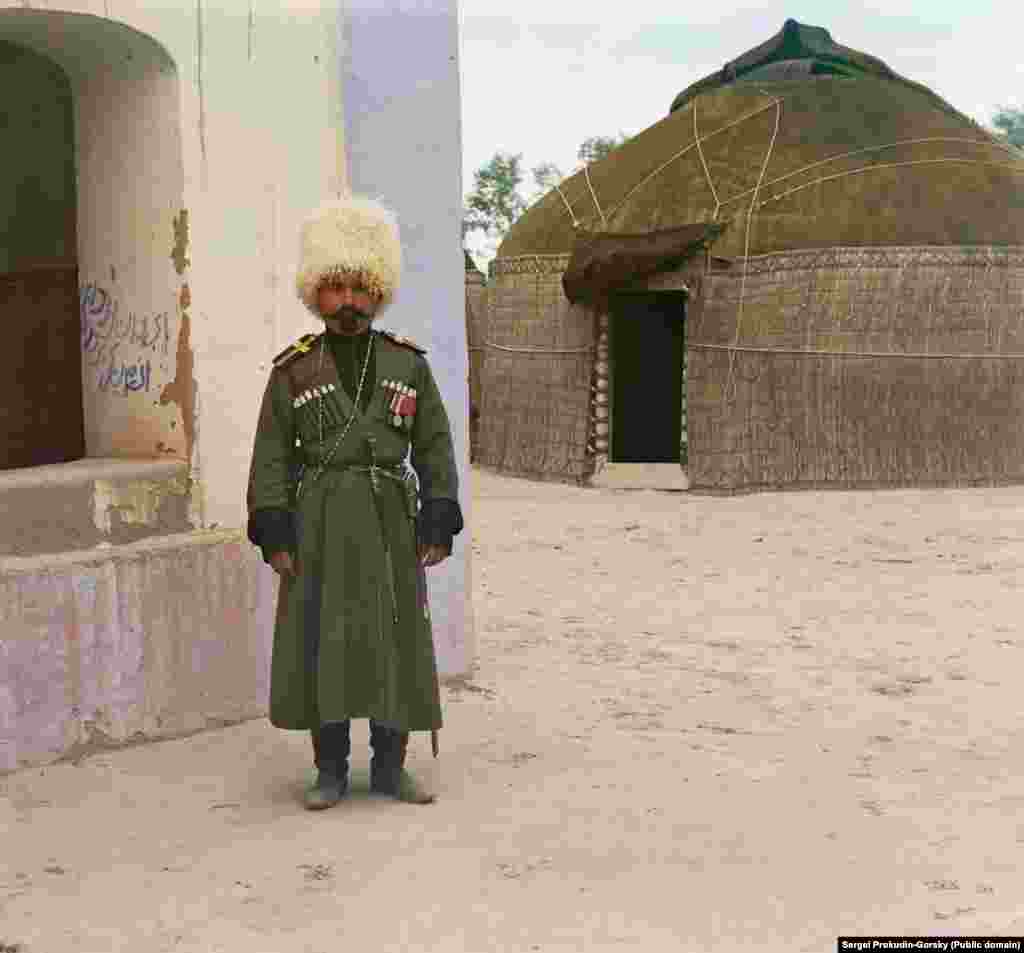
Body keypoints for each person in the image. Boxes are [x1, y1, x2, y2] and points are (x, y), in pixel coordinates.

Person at [246, 193, 464, 810]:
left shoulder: (407, 364)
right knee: (325, 636)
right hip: (319, 521)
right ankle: (331, 769)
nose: (348, 302)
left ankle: (392, 767)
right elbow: (270, 457)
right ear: (316, 294)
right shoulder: (292, 371)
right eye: (335, 288)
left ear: (379, 293)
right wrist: (276, 531)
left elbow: (434, 445)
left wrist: (438, 515)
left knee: (395, 636)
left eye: (360, 289)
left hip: (392, 519)